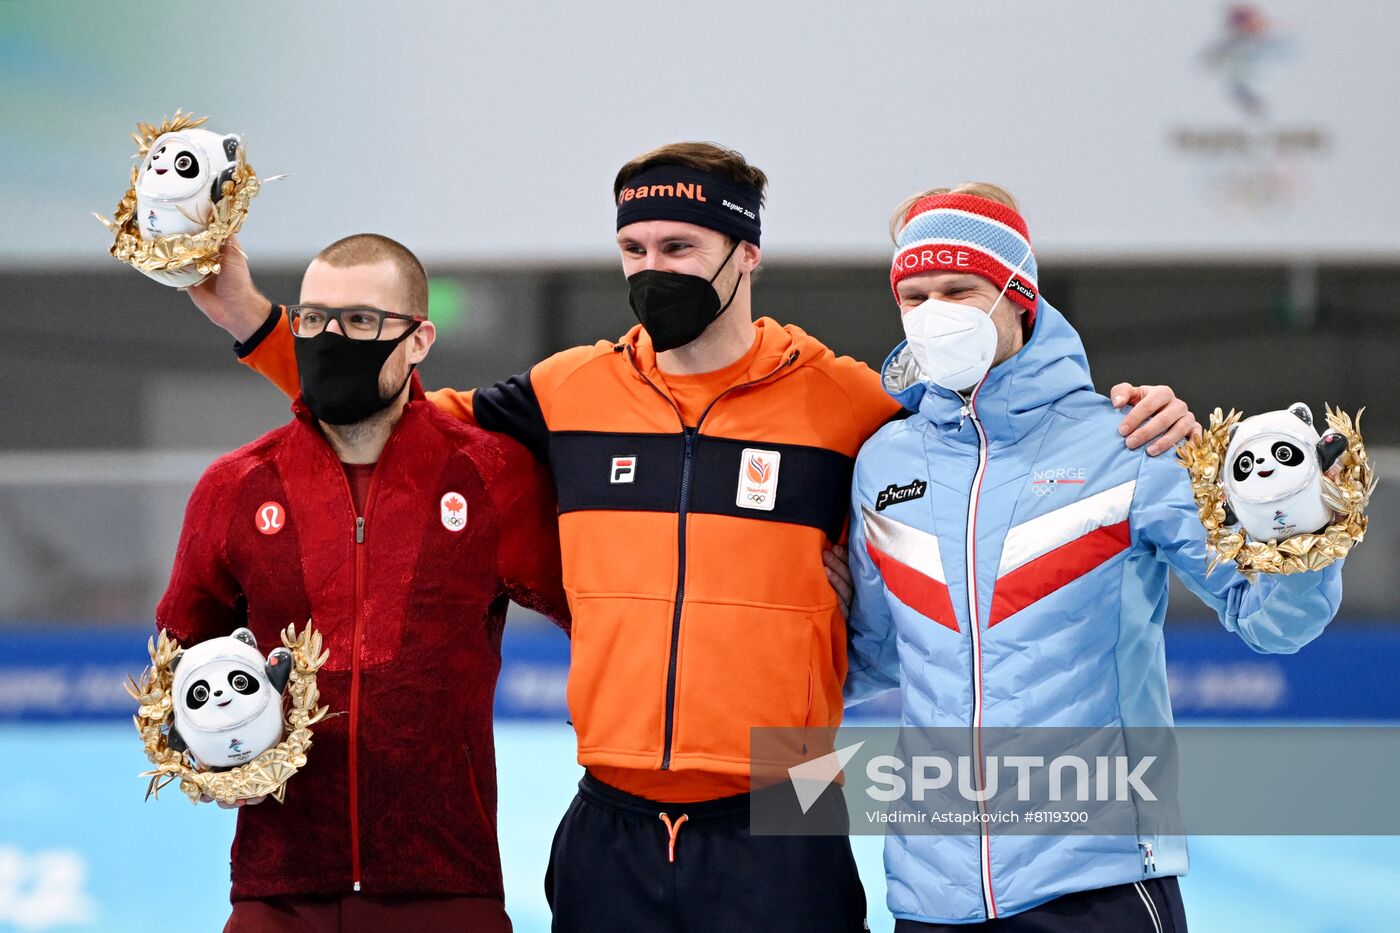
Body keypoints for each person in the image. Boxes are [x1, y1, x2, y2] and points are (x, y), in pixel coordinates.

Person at [186, 145, 1196, 932]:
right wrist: (246, 314)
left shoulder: (844, 402)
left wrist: (1143, 420)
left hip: (786, 799)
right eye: (632, 250)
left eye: (677, 250)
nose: (649, 270)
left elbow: (989, 412)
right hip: (610, 808)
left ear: (742, 254)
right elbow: (384, 413)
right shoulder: (568, 391)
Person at [843, 185, 1345, 930]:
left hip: (1097, 885)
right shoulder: (885, 463)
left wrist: (1300, 531)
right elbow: (871, 657)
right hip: (931, 893)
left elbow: (1271, 620)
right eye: (913, 295)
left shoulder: (1129, 441)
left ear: (1018, 297)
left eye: (957, 289)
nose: (932, 312)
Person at [158, 233, 569, 933]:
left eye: (360, 322)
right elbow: (175, 659)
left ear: (418, 340)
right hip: (277, 890)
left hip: (447, 885)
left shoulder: (491, 476)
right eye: (314, 319)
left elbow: (603, 614)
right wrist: (200, 745)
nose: (331, 339)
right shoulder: (235, 486)